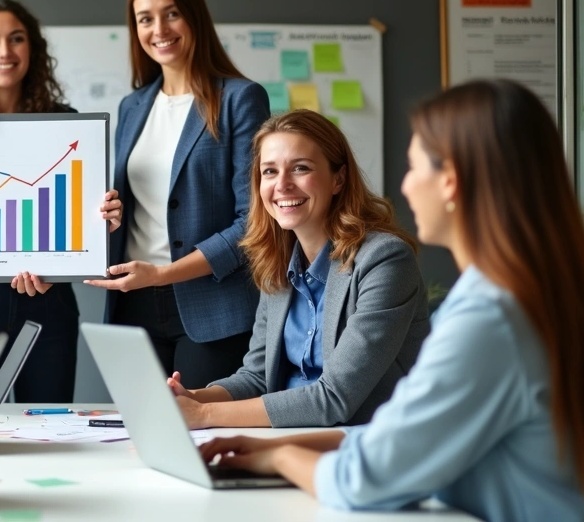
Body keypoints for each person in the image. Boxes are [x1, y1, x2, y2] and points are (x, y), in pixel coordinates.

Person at [200, 81, 584, 522]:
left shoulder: (489, 316)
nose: (404, 184)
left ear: (450, 182)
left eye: (413, 166)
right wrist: (274, 444)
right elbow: (399, 436)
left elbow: (363, 479)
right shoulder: (516, 293)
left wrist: (278, 458)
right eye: (268, 171)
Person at [169, 110, 429, 428]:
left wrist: (204, 415)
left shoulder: (384, 260)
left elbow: (334, 399)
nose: (282, 185)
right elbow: (256, 378)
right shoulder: (277, 262)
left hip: (362, 450)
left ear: (339, 179)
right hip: (288, 438)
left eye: (300, 168)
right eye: (269, 171)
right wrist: (190, 399)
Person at [86, 0, 271, 388]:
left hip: (211, 307)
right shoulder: (132, 106)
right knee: (135, 438)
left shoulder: (240, 99)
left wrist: (163, 274)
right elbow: (129, 207)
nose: (159, 29)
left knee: (201, 439)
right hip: (131, 304)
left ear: (194, 17)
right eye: (145, 18)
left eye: (171, 14)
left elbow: (253, 222)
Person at [0, 0, 123, 402]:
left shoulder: (66, 120)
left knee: (47, 431)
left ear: (32, 49)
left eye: (16, 39)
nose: (5, 52)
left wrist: (102, 218)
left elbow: (83, 214)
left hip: (47, 301)